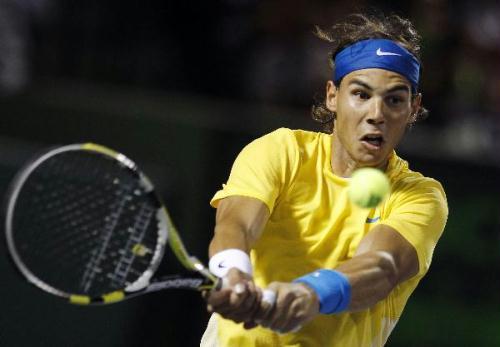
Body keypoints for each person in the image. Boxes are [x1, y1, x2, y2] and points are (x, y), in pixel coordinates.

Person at [201, 12, 448, 347]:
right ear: (333, 95)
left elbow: (380, 267)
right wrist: (234, 273)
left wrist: (310, 293)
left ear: (413, 108)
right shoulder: (281, 151)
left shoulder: (421, 196)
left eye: (394, 99)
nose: (376, 114)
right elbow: (237, 224)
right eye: (361, 94)